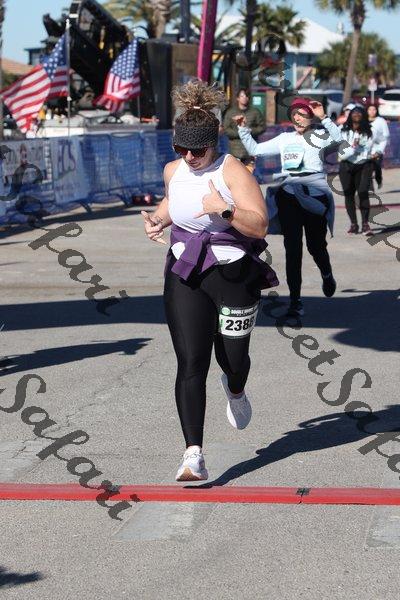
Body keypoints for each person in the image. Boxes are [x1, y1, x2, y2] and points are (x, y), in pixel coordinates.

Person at [141, 79, 278, 482]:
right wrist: (157, 220)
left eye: (197, 150)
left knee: (233, 359)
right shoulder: (174, 170)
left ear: (214, 142)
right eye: (181, 149)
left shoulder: (232, 170)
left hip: (232, 272)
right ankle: (193, 454)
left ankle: (235, 387)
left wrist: (226, 211)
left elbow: (260, 224)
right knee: (191, 361)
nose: (189, 157)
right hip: (186, 269)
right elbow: (173, 201)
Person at [235, 97, 341, 317]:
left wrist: (324, 117)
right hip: (289, 195)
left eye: (303, 115)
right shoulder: (284, 138)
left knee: (315, 246)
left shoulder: (320, 136)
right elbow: (256, 149)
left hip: (314, 196)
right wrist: (243, 129)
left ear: (310, 118)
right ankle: (295, 301)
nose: (298, 119)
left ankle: (326, 273)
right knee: (293, 250)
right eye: (295, 115)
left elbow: (340, 141)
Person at [338, 105, 375, 236]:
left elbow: (378, 144)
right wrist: (350, 148)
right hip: (346, 165)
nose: (357, 114)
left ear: (364, 116)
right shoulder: (342, 130)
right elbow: (339, 147)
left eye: (360, 113)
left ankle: (365, 224)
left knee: (363, 192)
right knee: (348, 194)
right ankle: (354, 224)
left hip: (364, 165)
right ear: (350, 116)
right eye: (354, 113)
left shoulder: (370, 130)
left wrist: (377, 152)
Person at [223, 88, 265, 170]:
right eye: (242, 96)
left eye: (246, 96)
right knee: (236, 174)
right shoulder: (230, 112)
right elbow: (226, 129)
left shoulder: (255, 112)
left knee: (250, 174)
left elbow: (262, 127)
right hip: (235, 151)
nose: (244, 98)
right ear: (238, 98)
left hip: (250, 151)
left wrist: (249, 132)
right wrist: (240, 133)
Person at [367, 102, 390, 190]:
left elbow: (386, 135)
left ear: (376, 111)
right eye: (370, 109)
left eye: (374, 109)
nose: (372, 111)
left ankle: (379, 179)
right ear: (367, 110)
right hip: (366, 151)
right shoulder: (363, 120)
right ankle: (370, 189)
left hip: (377, 150)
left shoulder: (381, 121)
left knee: (377, 168)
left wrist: (379, 150)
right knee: (367, 170)